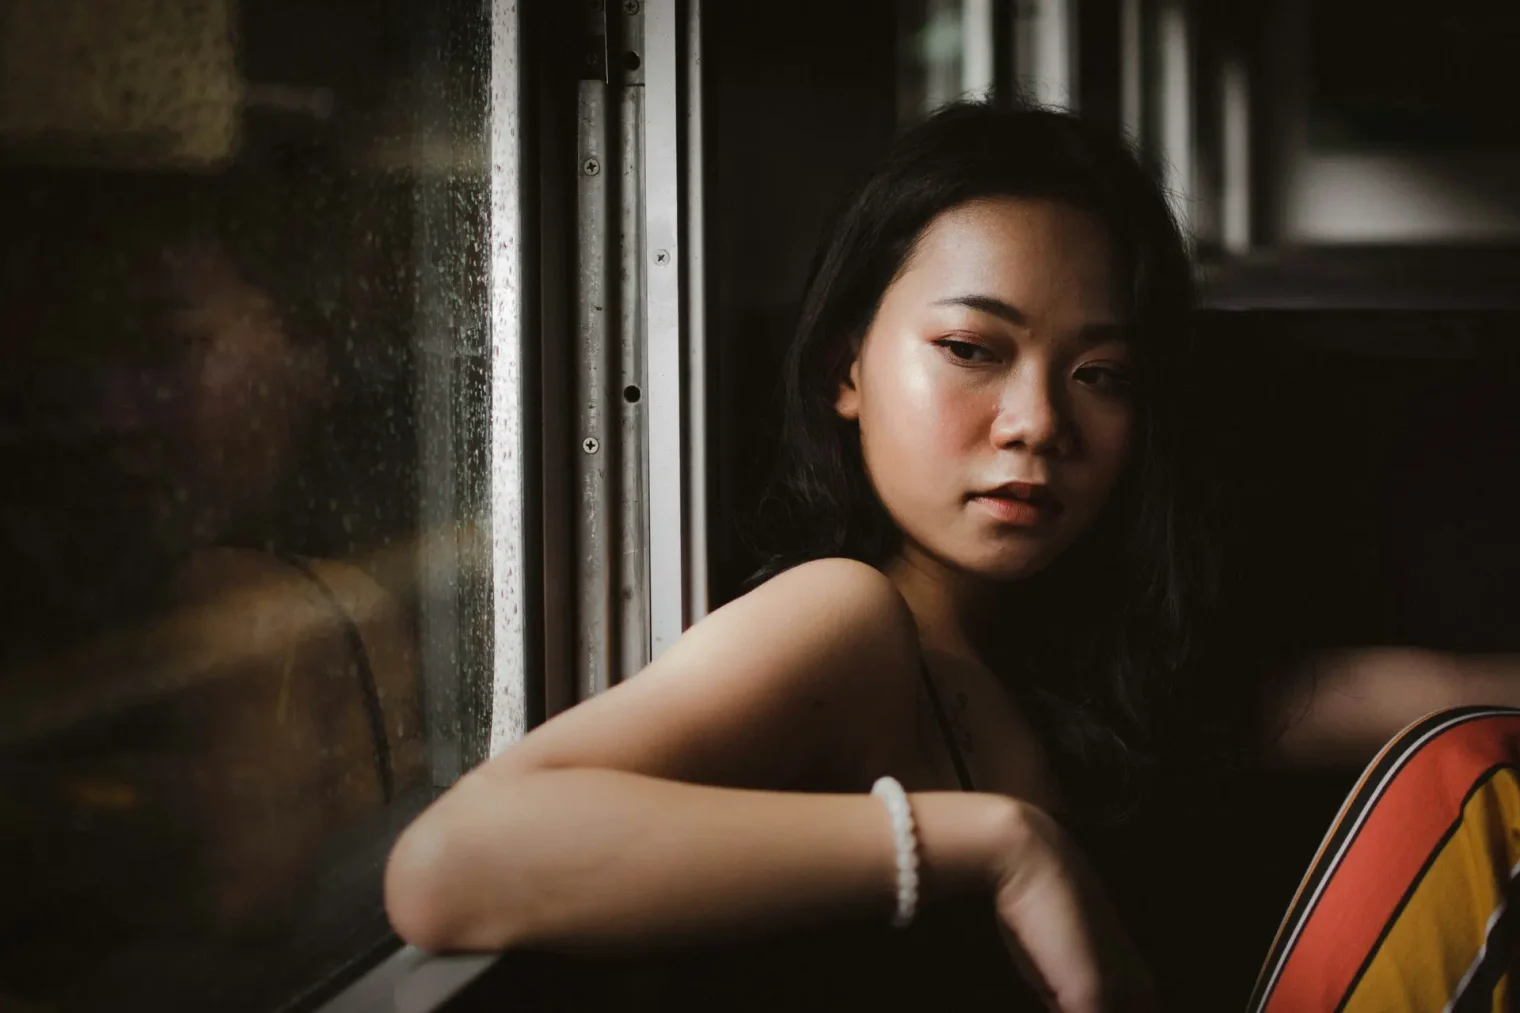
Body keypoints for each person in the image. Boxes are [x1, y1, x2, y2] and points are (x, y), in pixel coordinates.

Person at [382, 102, 1520, 1012]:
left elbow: (1426, 697)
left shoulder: (1093, 666)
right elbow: (447, 865)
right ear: (846, 369)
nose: (1034, 421)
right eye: (971, 348)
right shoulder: (845, 619)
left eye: (1099, 373)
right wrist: (1000, 844)